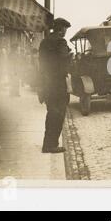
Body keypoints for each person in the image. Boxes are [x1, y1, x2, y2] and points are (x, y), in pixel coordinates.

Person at [39, 18, 72, 153]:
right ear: (61, 29)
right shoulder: (60, 41)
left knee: (51, 113)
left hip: (46, 83)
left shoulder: (44, 42)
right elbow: (65, 57)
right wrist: (70, 55)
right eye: (65, 29)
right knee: (58, 114)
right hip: (57, 83)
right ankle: (50, 145)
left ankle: (48, 143)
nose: (65, 32)